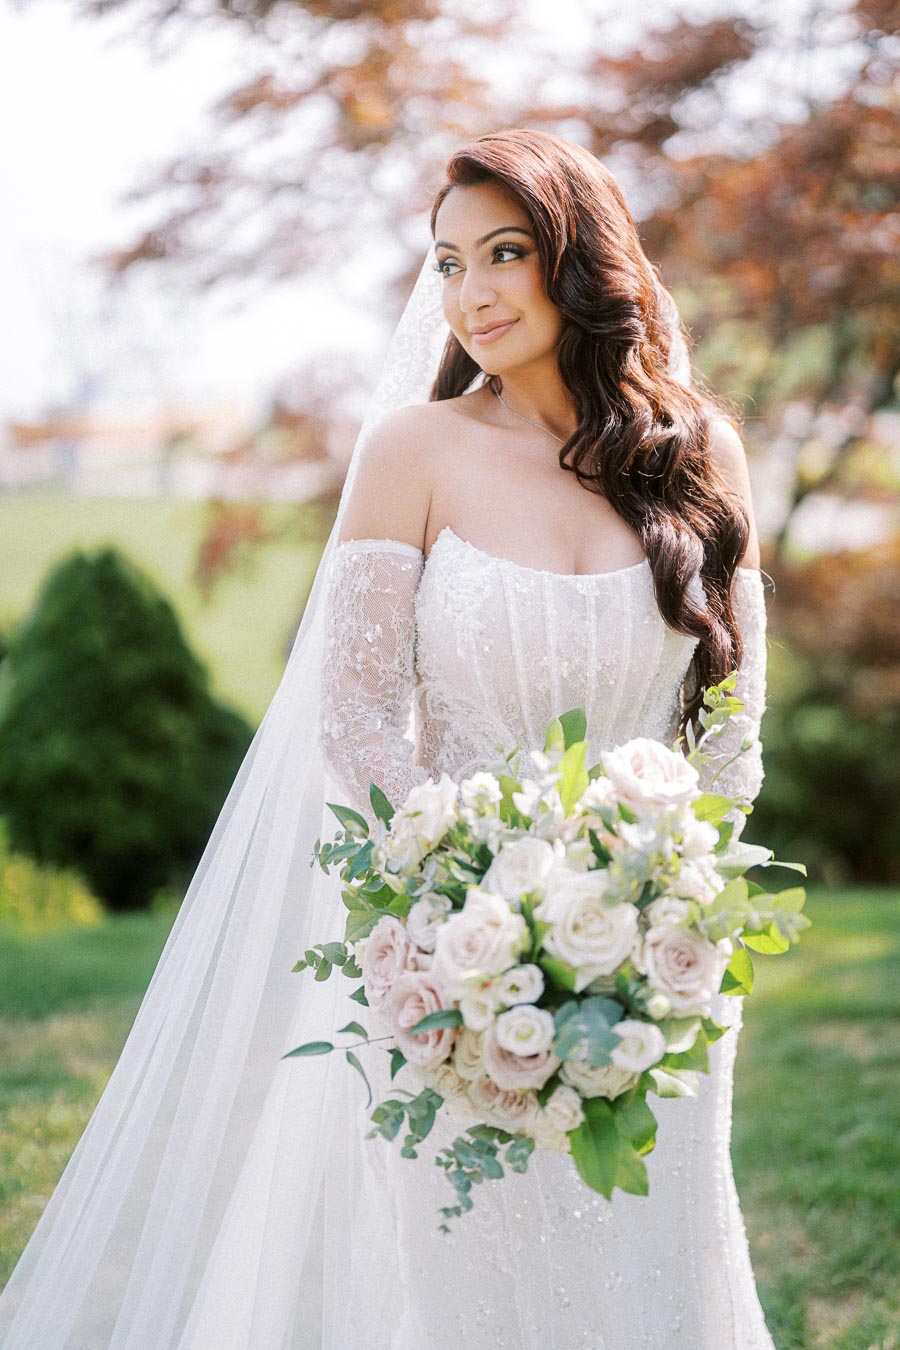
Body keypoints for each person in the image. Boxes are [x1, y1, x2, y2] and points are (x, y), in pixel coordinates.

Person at [0, 129, 771, 1348]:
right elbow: (358, 720)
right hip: (456, 970)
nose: (470, 292)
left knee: (657, 1276)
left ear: (578, 260)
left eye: (504, 254)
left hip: (662, 976)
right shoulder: (411, 453)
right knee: (473, 1289)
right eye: (448, 261)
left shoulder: (700, 455)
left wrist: (678, 910)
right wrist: (456, 916)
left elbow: (729, 725)